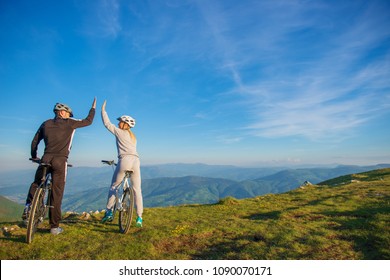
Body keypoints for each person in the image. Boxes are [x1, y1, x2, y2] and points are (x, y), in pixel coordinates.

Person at [22, 98, 96, 235]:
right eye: (68, 113)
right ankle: (54, 227)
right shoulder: (70, 123)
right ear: (62, 112)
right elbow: (88, 121)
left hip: (45, 158)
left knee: (36, 183)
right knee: (57, 192)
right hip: (61, 161)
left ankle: (28, 207)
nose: (69, 116)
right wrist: (93, 109)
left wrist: (34, 156)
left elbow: (35, 141)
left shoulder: (46, 124)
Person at [101, 100, 143, 227]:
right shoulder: (133, 137)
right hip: (136, 162)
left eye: (120, 121)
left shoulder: (119, 132)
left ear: (124, 124)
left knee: (114, 187)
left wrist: (103, 111)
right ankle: (139, 218)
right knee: (137, 190)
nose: (118, 123)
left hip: (124, 160)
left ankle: (108, 212)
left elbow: (107, 124)